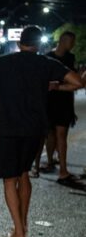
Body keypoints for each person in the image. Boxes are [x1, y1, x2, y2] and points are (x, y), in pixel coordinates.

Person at [0, 25, 83, 237]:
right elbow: (77, 82)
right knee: (24, 174)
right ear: (39, 45)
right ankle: (23, 224)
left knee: (9, 179)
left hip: (9, 129)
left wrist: (0, 91)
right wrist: (54, 87)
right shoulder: (46, 63)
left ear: (19, 42)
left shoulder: (2, 62)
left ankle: (19, 232)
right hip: (35, 129)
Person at [41, 31, 78, 183]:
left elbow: (74, 81)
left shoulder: (71, 58)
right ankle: (50, 161)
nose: (73, 45)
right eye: (71, 41)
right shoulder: (47, 57)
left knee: (62, 135)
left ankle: (63, 170)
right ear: (63, 41)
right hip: (50, 101)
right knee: (50, 135)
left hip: (65, 101)